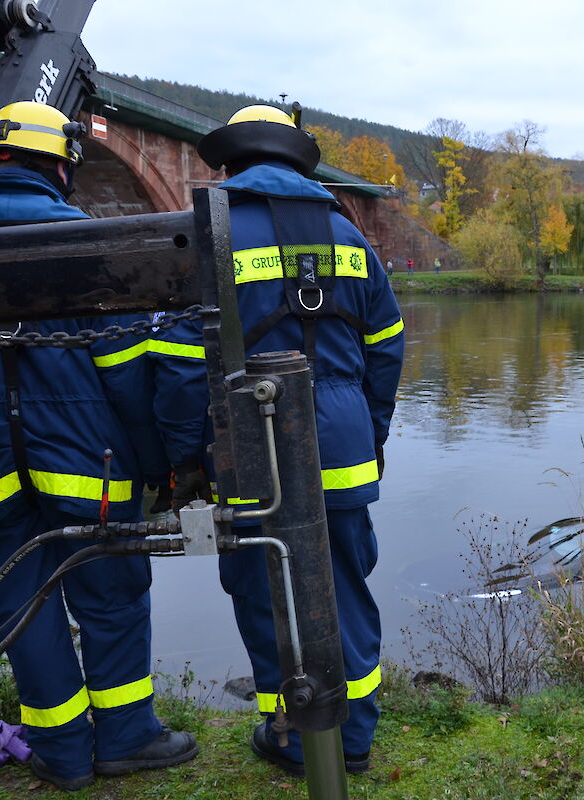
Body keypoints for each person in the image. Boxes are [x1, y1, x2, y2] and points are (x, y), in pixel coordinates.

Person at [0, 101, 197, 792]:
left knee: (20, 606)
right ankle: (126, 737)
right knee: (111, 597)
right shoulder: (85, 244)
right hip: (87, 464)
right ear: (61, 164)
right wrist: (155, 466)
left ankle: (61, 753)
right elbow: (124, 375)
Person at [152, 105, 404, 776]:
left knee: (264, 588)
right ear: (297, 162)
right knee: (346, 586)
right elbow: (387, 348)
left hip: (250, 448)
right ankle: (352, 741)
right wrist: (369, 435)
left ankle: (291, 734)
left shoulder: (210, 237)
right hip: (346, 445)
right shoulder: (350, 237)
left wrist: (183, 458)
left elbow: (179, 369)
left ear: (231, 163)